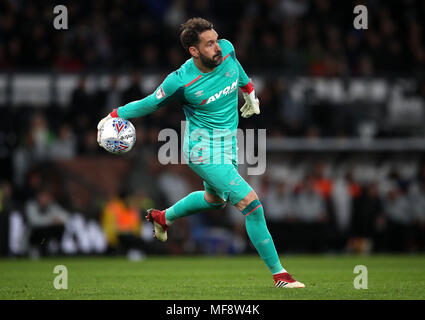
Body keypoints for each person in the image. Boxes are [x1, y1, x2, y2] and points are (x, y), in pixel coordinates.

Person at [97, 18, 304, 288]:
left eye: (216, 40)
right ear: (193, 51)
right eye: (209, 44)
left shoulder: (227, 51)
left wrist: (250, 92)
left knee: (214, 200)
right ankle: (280, 276)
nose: (217, 47)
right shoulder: (180, 81)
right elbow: (150, 103)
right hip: (202, 149)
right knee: (252, 206)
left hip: (228, 144)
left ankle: (164, 217)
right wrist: (115, 114)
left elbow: (238, 71)